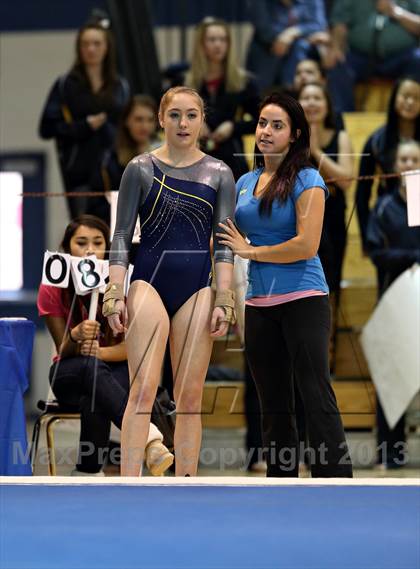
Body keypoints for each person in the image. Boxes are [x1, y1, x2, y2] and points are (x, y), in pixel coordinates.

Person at [217, 92, 353, 477]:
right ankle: (281, 484)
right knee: (273, 403)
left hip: (304, 299)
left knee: (314, 393)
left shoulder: (308, 178)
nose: (266, 131)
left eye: (277, 125)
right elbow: (225, 238)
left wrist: (251, 252)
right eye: (262, 123)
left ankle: (337, 483)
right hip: (259, 304)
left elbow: (306, 245)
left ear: (294, 135)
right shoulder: (243, 181)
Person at [103, 86, 237, 477]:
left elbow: (225, 245)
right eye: (175, 115)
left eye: (191, 115)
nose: (183, 123)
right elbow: (122, 236)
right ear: (161, 119)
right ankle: (130, 484)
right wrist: (115, 294)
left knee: (190, 396)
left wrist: (224, 299)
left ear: (202, 119)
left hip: (197, 287)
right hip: (148, 283)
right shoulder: (139, 168)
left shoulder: (219, 174)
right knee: (143, 390)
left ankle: (187, 486)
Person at [37, 215, 174, 476]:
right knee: (91, 370)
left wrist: (100, 352)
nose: (90, 249)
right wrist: (75, 336)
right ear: (67, 249)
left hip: (112, 370)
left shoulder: (123, 283)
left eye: (97, 242)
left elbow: (134, 348)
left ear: (107, 248)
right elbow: (62, 349)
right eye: (81, 242)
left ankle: (87, 470)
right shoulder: (52, 286)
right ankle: (150, 439)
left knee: (96, 391)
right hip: (69, 372)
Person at [39, 20, 130, 219]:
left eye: (97, 44)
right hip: (80, 174)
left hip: (117, 171)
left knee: (119, 232)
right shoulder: (65, 85)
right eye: (85, 44)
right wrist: (84, 126)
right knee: (83, 229)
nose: (91, 49)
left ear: (107, 47)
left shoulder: (120, 86)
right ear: (79, 48)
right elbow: (46, 128)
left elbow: (128, 127)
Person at [366, 140, 420, 469]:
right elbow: (377, 254)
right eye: (404, 158)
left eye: (415, 158)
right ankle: (389, 453)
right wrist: (413, 259)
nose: (409, 163)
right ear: (394, 165)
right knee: (393, 379)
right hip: (395, 303)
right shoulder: (384, 208)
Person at [299, 82, 354, 369]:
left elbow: (345, 179)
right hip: (297, 220)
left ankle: (327, 354)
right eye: (305, 98)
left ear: (327, 104)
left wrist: (316, 150)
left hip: (332, 221)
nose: (311, 103)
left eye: (316, 97)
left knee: (330, 285)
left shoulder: (340, 136)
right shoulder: (289, 138)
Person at [184, 17, 260, 181]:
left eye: (223, 39)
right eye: (212, 40)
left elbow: (261, 121)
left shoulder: (243, 82)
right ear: (201, 44)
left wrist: (233, 126)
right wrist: (193, 122)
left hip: (231, 160)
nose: (218, 44)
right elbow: (166, 118)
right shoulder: (185, 83)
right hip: (193, 159)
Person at [356, 77, 420, 255]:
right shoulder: (377, 142)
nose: (410, 102)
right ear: (394, 99)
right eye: (405, 96)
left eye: (416, 98)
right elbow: (362, 193)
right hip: (390, 223)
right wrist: (366, 236)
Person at [326, 0, 420, 112]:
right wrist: (336, 48)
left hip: (402, 56)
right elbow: (339, 23)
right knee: (338, 65)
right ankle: (343, 123)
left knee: (418, 60)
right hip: (360, 56)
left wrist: (395, 12)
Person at [92, 94, 161, 223]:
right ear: (126, 121)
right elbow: (96, 207)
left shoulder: (166, 158)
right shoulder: (109, 160)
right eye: (138, 119)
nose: (144, 126)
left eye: (150, 120)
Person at [246, 0, 330, 93]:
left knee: (301, 47)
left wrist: (293, 32)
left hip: (303, 48)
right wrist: (285, 38)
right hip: (268, 47)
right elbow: (264, 29)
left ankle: (295, 94)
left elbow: (318, 25)